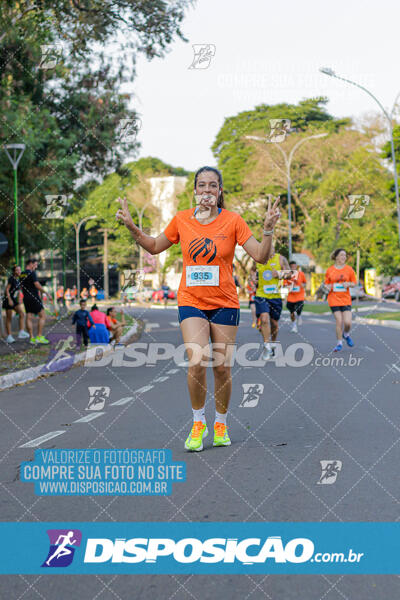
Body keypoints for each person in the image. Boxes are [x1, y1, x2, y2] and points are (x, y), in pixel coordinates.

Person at [116, 165, 281, 451]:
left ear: (219, 191)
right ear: (194, 190)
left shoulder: (233, 221)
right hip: (191, 300)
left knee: (222, 368)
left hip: (225, 302)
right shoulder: (181, 220)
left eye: (212, 185)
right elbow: (155, 246)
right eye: (201, 185)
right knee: (196, 360)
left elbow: (261, 256)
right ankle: (197, 422)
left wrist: (268, 229)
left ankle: (220, 422)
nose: (207, 190)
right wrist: (132, 226)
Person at [254, 244, 291, 360]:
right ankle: (267, 345)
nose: (270, 250)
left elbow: (290, 274)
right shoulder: (257, 258)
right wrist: (253, 278)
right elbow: (252, 272)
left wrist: (280, 274)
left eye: (272, 248)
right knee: (264, 319)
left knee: (274, 323)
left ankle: (273, 343)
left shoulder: (281, 259)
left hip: (275, 296)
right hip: (261, 295)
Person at [324, 249, 357, 352]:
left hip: (345, 299)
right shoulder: (330, 270)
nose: (344, 257)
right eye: (342, 255)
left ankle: (346, 334)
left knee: (348, 323)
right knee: (339, 320)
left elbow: (354, 283)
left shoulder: (349, 269)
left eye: (345, 255)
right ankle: (339, 343)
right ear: (336, 257)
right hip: (333, 299)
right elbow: (326, 284)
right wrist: (328, 287)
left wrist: (348, 284)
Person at [20, 259, 49, 344]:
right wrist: (45, 292)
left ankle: (32, 338)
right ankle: (39, 336)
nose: (36, 267)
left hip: (26, 297)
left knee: (29, 316)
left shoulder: (22, 274)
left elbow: (21, 286)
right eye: (35, 265)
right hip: (34, 297)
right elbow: (37, 284)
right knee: (42, 315)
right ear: (30, 264)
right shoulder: (32, 273)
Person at [2, 265, 29, 343]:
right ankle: (9, 336)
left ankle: (21, 332)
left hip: (14, 300)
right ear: (14, 272)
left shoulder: (18, 280)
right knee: (9, 318)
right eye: (17, 270)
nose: (19, 271)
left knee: (22, 314)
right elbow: (6, 290)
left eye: (20, 270)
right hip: (8, 300)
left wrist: (18, 300)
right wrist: (9, 300)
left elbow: (16, 292)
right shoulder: (11, 279)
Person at [285, 260, 307, 333]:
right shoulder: (287, 275)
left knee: (299, 307)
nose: (293, 268)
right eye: (292, 267)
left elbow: (304, 283)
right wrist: (289, 286)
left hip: (299, 295)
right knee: (291, 311)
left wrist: (302, 285)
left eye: (294, 266)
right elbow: (285, 284)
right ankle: (294, 325)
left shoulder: (301, 274)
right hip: (291, 296)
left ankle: (299, 315)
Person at [247, 263, 258, 328]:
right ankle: (254, 321)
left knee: (259, 312)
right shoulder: (249, 280)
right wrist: (250, 291)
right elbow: (248, 289)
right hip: (252, 298)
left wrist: (255, 290)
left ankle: (259, 321)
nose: (252, 274)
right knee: (253, 310)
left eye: (253, 273)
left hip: (259, 297)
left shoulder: (259, 279)